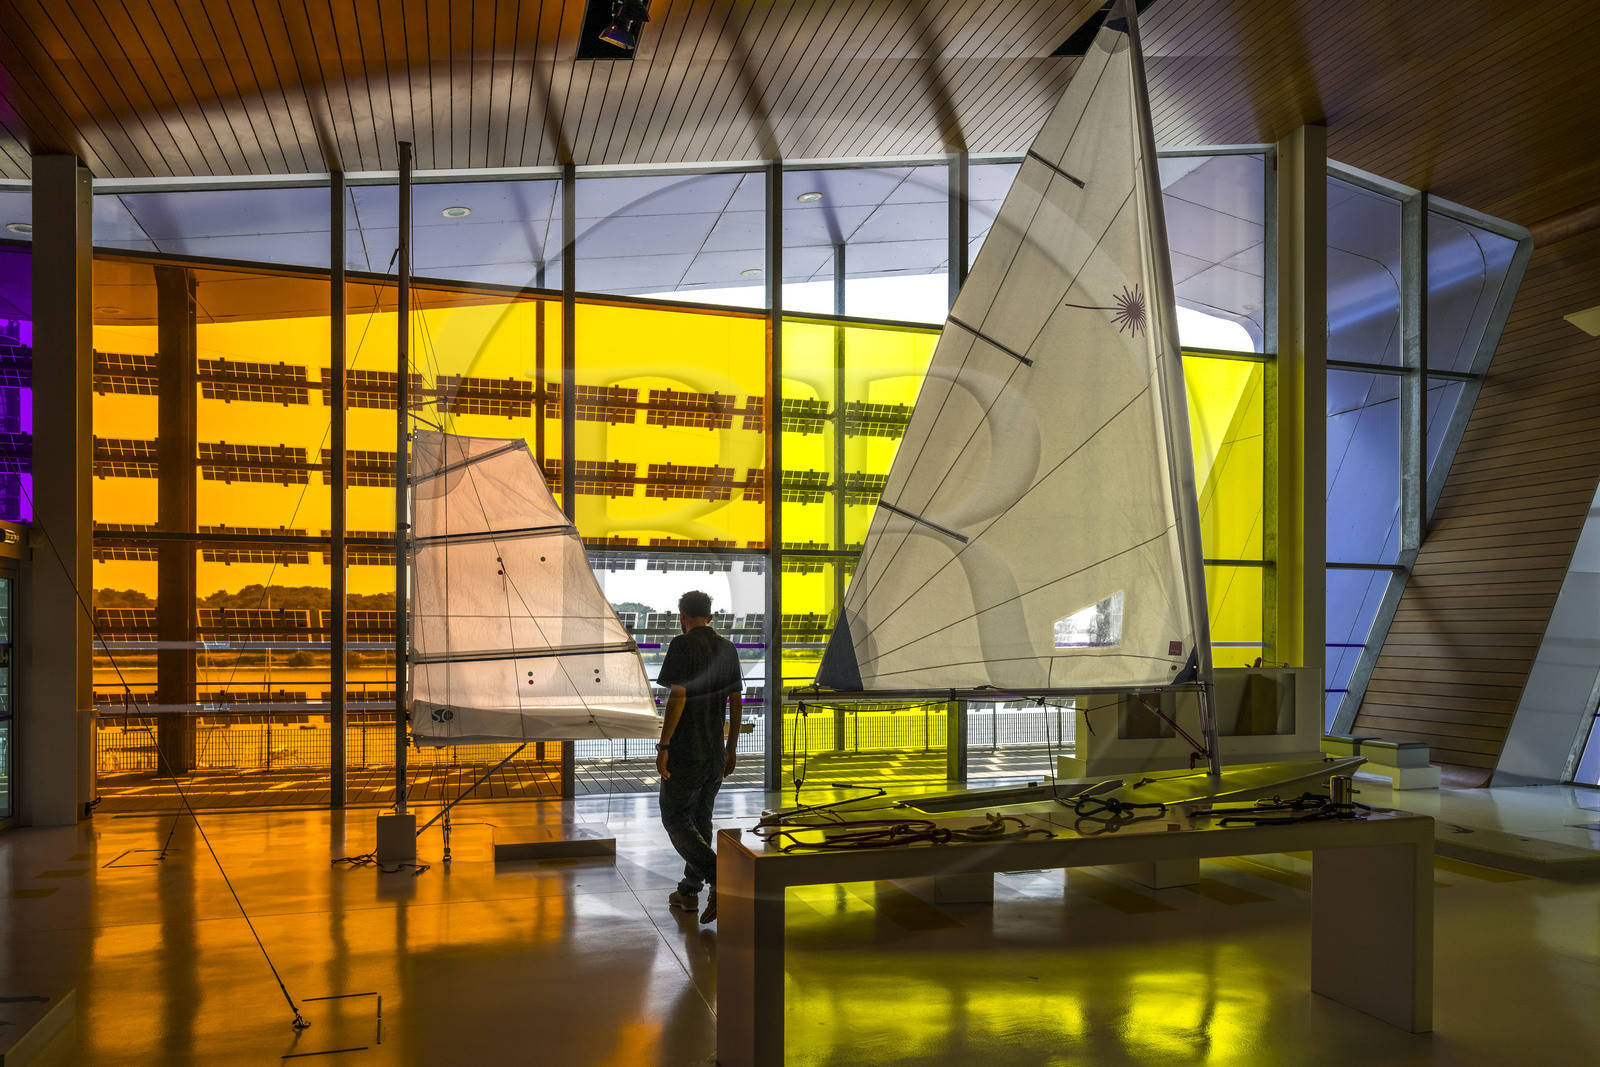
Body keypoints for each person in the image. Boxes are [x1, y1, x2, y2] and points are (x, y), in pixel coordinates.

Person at [655, 589, 743, 924]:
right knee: (701, 821)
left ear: (683, 615)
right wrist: (731, 747)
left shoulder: (683, 644)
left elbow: (677, 696)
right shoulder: (727, 648)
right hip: (714, 755)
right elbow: (736, 702)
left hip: (687, 753)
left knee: (676, 819)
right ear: (710, 614)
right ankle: (688, 893)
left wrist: (664, 747)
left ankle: (719, 876)